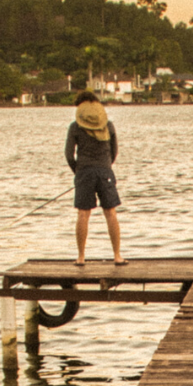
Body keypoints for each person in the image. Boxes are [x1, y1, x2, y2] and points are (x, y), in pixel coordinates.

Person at [65, 91, 124, 265]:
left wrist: (78, 171)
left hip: (84, 172)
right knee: (111, 213)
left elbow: (69, 154)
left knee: (83, 214)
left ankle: (81, 257)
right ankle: (117, 256)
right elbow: (114, 152)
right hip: (105, 171)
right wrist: (106, 166)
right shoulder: (109, 125)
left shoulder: (75, 127)